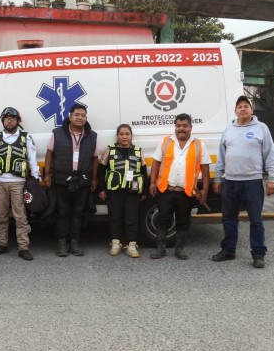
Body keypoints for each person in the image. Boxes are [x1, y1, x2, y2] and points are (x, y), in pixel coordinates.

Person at [212, 96, 274, 269]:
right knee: (228, 218)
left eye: (246, 106)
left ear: (251, 110)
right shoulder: (228, 130)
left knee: (255, 220)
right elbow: (221, 157)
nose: (243, 109)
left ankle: (258, 254)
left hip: (252, 182)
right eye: (239, 106)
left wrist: (272, 178)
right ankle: (228, 250)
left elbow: (270, 154)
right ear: (235, 111)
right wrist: (218, 178)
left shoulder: (261, 128)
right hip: (230, 182)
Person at [148, 113, 210, 260]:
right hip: (166, 190)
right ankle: (160, 248)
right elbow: (156, 163)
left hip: (186, 192)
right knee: (163, 219)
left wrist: (205, 190)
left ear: (191, 127)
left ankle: (179, 249)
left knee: (183, 220)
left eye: (185, 126)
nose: (181, 128)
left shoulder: (199, 145)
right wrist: (152, 182)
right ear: (175, 127)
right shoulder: (166, 142)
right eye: (178, 126)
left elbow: (205, 169)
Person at [0, 107, 40, 261]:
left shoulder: (26, 138)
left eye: (12, 119)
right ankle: (2, 244)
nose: (9, 121)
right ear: (3, 121)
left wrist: (35, 179)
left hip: (18, 183)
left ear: (18, 121)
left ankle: (23, 247)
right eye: (6, 119)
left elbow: (32, 159)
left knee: (20, 215)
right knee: (1, 214)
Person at [43, 103, 99, 257]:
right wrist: (47, 174)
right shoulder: (57, 133)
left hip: (83, 181)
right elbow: (49, 153)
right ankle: (62, 242)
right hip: (62, 180)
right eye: (77, 115)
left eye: (83, 115)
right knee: (62, 212)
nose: (80, 118)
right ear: (70, 117)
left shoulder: (92, 136)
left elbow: (95, 158)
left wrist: (94, 178)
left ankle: (74, 242)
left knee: (77, 213)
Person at [97, 124, 147, 258]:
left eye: (127, 134)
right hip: (114, 191)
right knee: (115, 217)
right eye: (121, 134)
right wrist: (101, 189)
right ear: (117, 136)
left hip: (133, 191)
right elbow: (101, 171)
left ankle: (132, 245)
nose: (124, 137)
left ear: (131, 136)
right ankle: (115, 243)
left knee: (132, 218)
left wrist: (143, 192)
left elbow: (143, 172)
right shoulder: (109, 150)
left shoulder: (138, 151)